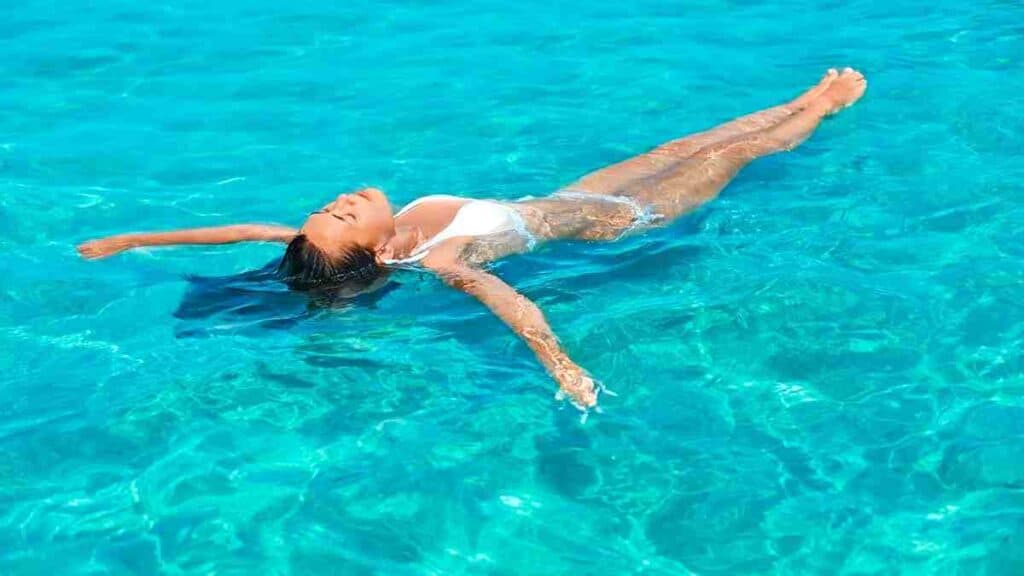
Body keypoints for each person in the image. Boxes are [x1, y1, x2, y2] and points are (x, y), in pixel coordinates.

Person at [78, 68, 867, 408]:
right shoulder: (441, 257)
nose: (341, 201)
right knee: (729, 156)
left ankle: (801, 97)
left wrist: (132, 239)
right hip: (624, 223)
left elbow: (242, 230)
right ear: (377, 251)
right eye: (344, 215)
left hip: (571, 197)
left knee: (678, 145)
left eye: (328, 207)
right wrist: (562, 366)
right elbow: (505, 301)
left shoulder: (345, 241)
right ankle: (820, 110)